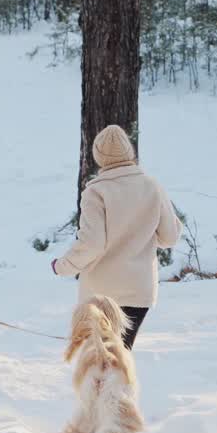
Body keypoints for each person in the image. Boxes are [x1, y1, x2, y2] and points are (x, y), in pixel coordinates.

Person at [53, 125, 182, 350]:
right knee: (119, 356)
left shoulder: (96, 192)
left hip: (100, 294)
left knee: (99, 359)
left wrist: (61, 266)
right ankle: (118, 386)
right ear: (129, 152)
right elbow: (169, 237)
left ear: (99, 157)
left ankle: (105, 386)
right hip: (139, 292)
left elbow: (91, 244)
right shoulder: (152, 187)